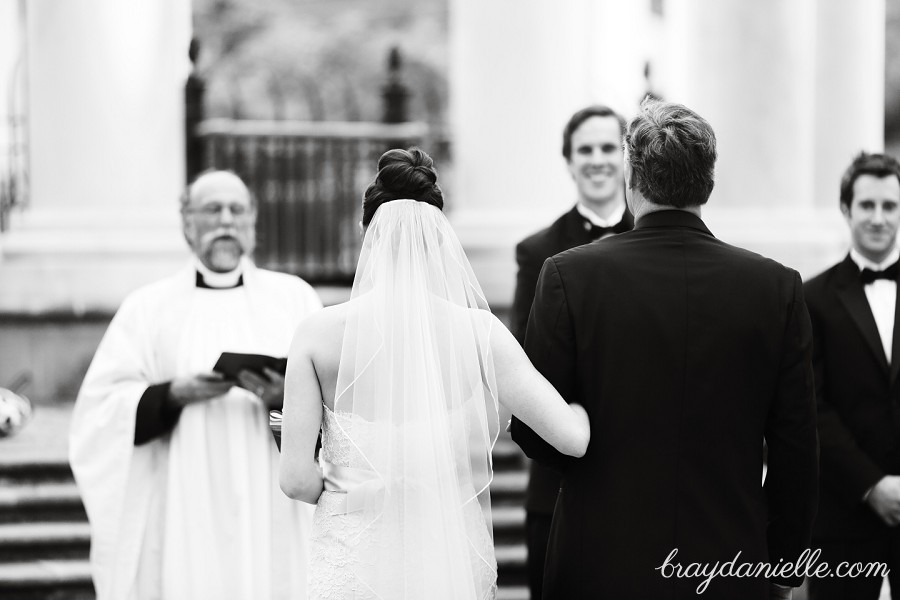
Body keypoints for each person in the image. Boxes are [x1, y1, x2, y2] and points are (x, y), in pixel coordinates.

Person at [510, 99, 819, 599]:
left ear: (632, 182)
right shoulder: (776, 288)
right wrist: (782, 566)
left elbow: (533, 428)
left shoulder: (569, 276)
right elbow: (797, 448)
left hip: (600, 562)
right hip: (730, 565)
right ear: (709, 183)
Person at [278, 147, 591, 600]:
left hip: (353, 569)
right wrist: (582, 406)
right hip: (446, 568)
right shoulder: (479, 332)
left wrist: (372, 486)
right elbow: (572, 439)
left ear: (367, 232)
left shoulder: (316, 335)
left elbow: (296, 480)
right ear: (441, 237)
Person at [69, 170, 322, 599]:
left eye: (236, 209)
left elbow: (335, 402)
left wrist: (283, 396)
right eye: (212, 210)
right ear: (187, 223)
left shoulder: (294, 299)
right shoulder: (147, 309)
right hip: (184, 495)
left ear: (252, 221)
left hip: (270, 495)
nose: (226, 220)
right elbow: (99, 411)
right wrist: (171, 395)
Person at [508, 104, 633, 599]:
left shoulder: (657, 239)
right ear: (568, 161)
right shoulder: (536, 251)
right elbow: (526, 361)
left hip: (638, 472)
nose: (598, 160)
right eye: (586, 150)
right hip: (559, 475)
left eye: (608, 148)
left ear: (627, 159)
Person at [805, 152, 900, 599]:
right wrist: (871, 485)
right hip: (844, 515)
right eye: (867, 205)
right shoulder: (812, 298)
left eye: (890, 206)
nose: (879, 218)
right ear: (846, 209)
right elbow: (812, 406)